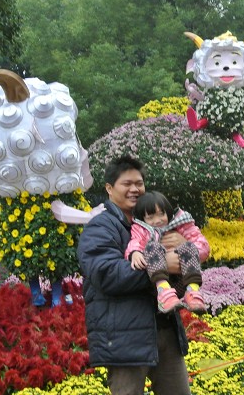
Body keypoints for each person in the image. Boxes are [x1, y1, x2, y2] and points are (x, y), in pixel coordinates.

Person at [76, 156, 191, 395]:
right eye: (126, 184)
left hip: (166, 332)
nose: (135, 189)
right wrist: (161, 264)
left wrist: (185, 250)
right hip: (124, 340)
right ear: (109, 188)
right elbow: (106, 274)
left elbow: (179, 278)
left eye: (139, 183)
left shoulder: (155, 224)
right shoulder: (100, 227)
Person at [126, 191, 209, 314]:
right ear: (142, 219)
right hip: (156, 281)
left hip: (183, 279)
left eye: (161, 214)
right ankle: (164, 292)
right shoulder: (142, 229)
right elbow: (136, 242)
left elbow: (203, 247)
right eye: (150, 217)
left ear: (168, 212)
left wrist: (184, 243)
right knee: (152, 246)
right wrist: (134, 253)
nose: (157, 220)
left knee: (189, 246)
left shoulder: (181, 224)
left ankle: (192, 291)